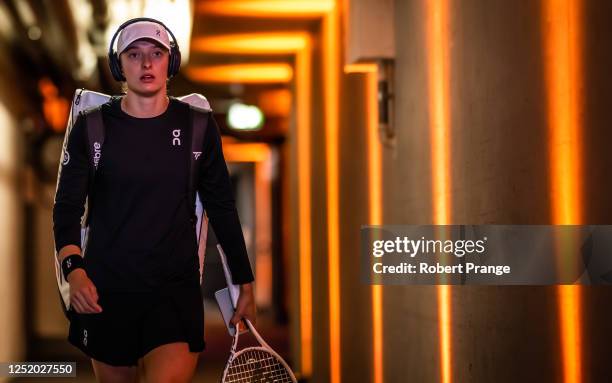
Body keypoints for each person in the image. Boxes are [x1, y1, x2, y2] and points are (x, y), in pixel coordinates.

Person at [53, 18, 256, 383]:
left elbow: (222, 207)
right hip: (106, 291)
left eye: (156, 53)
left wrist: (245, 283)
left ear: (170, 62)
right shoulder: (92, 126)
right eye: (134, 54)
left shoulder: (198, 126)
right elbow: (66, 208)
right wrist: (75, 271)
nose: (146, 64)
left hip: (173, 291)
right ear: (119, 66)